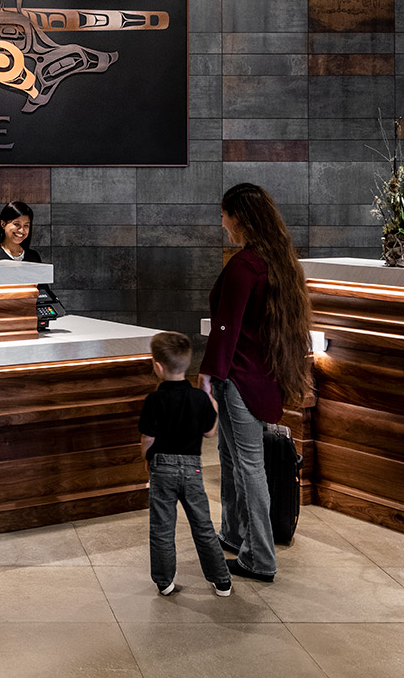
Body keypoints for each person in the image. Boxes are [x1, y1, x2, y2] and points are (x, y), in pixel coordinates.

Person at [198, 182, 313, 584]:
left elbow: (225, 328)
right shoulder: (278, 261)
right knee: (232, 461)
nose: (222, 221)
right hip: (264, 378)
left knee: (249, 467)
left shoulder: (244, 265)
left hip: (238, 379)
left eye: (225, 214)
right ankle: (233, 534)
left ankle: (260, 558)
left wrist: (208, 375)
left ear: (239, 218)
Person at [139, 330, 230, 598]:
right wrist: (211, 400)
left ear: (157, 367)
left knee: (162, 527)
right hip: (193, 468)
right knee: (202, 526)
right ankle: (221, 580)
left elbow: (148, 437)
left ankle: (165, 581)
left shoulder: (154, 400)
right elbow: (209, 432)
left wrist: (147, 458)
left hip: (162, 467)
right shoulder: (199, 399)